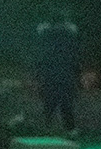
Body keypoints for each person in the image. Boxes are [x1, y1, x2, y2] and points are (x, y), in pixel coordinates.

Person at [34, 7, 80, 136]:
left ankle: (47, 128)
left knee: (49, 102)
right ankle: (70, 130)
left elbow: (40, 54)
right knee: (66, 103)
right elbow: (75, 54)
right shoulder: (70, 34)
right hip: (65, 73)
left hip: (49, 73)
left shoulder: (45, 34)